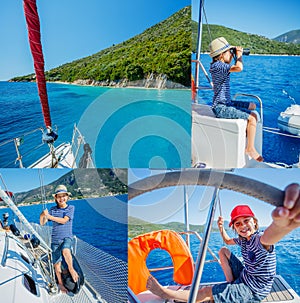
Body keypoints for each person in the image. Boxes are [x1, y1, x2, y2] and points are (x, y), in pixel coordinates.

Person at [146, 183, 300, 302]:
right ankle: (230, 283)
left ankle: (165, 293)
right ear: (234, 227)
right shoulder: (243, 240)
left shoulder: (260, 240)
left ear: (255, 222)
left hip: (254, 291)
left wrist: (284, 223)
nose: (243, 226)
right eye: (238, 224)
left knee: (206, 292)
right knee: (223, 251)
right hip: (245, 276)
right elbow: (226, 241)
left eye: (246, 221)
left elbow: (272, 234)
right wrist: (220, 227)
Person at [209, 37, 263, 162]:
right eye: (229, 52)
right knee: (252, 117)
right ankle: (250, 148)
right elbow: (239, 68)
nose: (231, 54)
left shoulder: (220, 65)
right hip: (221, 108)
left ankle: (248, 133)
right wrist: (239, 55)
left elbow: (233, 66)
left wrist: (234, 54)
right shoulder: (217, 66)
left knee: (252, 106)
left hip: (228, 103)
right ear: (221, 55)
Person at [40, 184, 78, 293]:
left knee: (66, 251)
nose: (61, 198)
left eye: (63, 196)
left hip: (67, 237)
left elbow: (64, 220)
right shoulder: (52, 210)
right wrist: (42, 215)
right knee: (57, 265)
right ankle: (61, 284)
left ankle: (71, 269)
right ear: (55, 198)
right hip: (55, 240)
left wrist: (49, 217)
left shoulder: (70, 208)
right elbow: (42, 223)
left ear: (67, 197)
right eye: (59, 196)